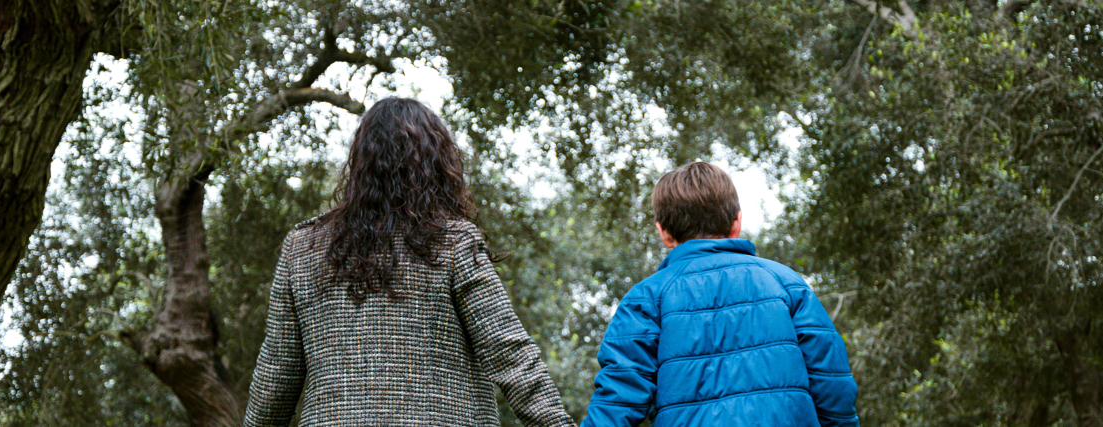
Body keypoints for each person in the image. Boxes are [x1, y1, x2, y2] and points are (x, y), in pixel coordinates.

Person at [243, 97, 573, 427]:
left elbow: (275, 378)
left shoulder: (302, 248)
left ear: (360, 161)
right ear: (437, 162)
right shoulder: (454, 241)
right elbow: (509, 353)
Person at [580, 162, 860, 427]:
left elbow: (617, 401)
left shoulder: (645, 299)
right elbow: (833, 385)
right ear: (736, 223)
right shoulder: (786, 284)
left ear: (663, 233)